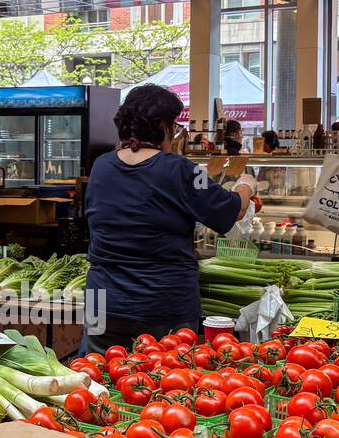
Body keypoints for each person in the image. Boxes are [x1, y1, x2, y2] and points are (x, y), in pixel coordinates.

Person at [83, 84, 257, 354]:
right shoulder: (181, 169)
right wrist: (246, 184)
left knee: (98, 379)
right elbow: (232, 210)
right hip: (161, 304)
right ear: (163, 126)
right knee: (164, 384)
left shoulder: (101, 165)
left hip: (102, 303)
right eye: (175, 125)